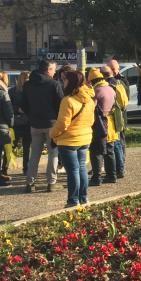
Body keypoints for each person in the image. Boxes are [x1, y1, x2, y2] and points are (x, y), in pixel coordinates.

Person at [50, 70, 95, 208]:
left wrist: (52, 133)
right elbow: (91, 120)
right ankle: (83, 197)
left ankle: (73, 200)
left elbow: (63, 123)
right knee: (81, 168)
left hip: (68, 140)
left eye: (65, 80)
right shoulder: (89, 99)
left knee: (73, 171)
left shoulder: (68, 100)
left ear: (70, 82)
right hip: (85, 138)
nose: (63, 83)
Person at [22, 60, 63, 193]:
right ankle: (51, 182)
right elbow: (61, 103)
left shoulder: (28, 85)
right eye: (53, 69)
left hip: (35, 123)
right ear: (47, 70)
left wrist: (31, 115)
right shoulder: (53, 84)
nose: (55, 71)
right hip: (51, 123)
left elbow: (24, 104)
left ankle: (30, 182)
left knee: (34, 154)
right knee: (53, 153)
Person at [86, 68, 117, 185]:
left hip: (99, 125)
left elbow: (91, 107)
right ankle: (111, 175)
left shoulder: (96, 91)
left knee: (96, 151)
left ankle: (96, 177)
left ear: (92, 80)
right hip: (111, 124)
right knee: (110, 151)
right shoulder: (111, 88)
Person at [105, 60, 128, 178]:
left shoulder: (121, 81)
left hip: (118, 117)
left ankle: (121, 167)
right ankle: (119, 167)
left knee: (119, 143)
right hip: (117, 116)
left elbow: (125, 101)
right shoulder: (116, 82)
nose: (114, 71)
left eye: (115, 69)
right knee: (117, 143)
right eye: (111, 69)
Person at [10, 71, 31, 177]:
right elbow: (9, 105)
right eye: (25, 78)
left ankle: (26, 168)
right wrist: (17, 109)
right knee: (12, 146)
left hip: (28, 122)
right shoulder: (13, 91)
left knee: (27, 147)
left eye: (28, 78)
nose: (26, 80)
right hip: (18, 121)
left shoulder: (32, 90)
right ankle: (4, 167)